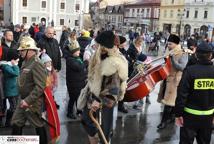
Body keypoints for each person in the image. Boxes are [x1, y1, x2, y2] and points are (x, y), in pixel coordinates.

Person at [78, 31, 128, 144]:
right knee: (86, 119)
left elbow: (113, 90)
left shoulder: (114, 63)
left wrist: (99, 100)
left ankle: (103, 139)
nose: (97, 47)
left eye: (100, 45)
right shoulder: (101, 56)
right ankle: (95, 137)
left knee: (105, 129)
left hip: (105, 100)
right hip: (93, 95)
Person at [175, 41, 214, 144]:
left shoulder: (190, 71)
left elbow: (182, 94)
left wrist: (178, 114)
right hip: (208, 117)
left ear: (196, 55)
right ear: (211, 55)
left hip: (189, 117)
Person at [11, 36, 48, 144]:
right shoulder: (25, 62)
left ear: (30, 50)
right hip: (22, 99)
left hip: (32, 102)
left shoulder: (37, 63)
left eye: (22, 50)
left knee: (38, 124)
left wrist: (28, 101)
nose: (20, 52)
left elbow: (40, 86)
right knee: (16, 122)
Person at [157, 34, 188, 130]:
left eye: (170, 44)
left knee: (169, 103)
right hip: (167, 79)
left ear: (176, 44)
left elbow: (182, 67)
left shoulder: (183, 53)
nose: (168, 45)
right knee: (169, 101)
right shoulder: (169, 51)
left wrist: (173, 59)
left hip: (175, 81)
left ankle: (163, 122)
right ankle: (170, 118)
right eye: (168, 44)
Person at [65, 41, 87, 119]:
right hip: (73, 84)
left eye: (79, 50)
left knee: (79, 97)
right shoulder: (70, 60)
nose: (79, 52)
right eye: (77, 51)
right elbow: (79, 67)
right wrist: (86, 63)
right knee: (73, 98)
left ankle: (79, 110)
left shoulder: (77, 57)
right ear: (72, 52)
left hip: (79, 82)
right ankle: (69, 112)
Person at [1, 50, 20, 127]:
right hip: (10, 91)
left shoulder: (11, 65)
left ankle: (13, 121)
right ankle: (8, 122)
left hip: (15, 90)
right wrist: (15, 65)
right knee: (13, 107)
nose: (17, 61)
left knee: (15, 107)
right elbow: (16, 73)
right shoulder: (6, 66)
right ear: (12, 59)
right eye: (16, 59)